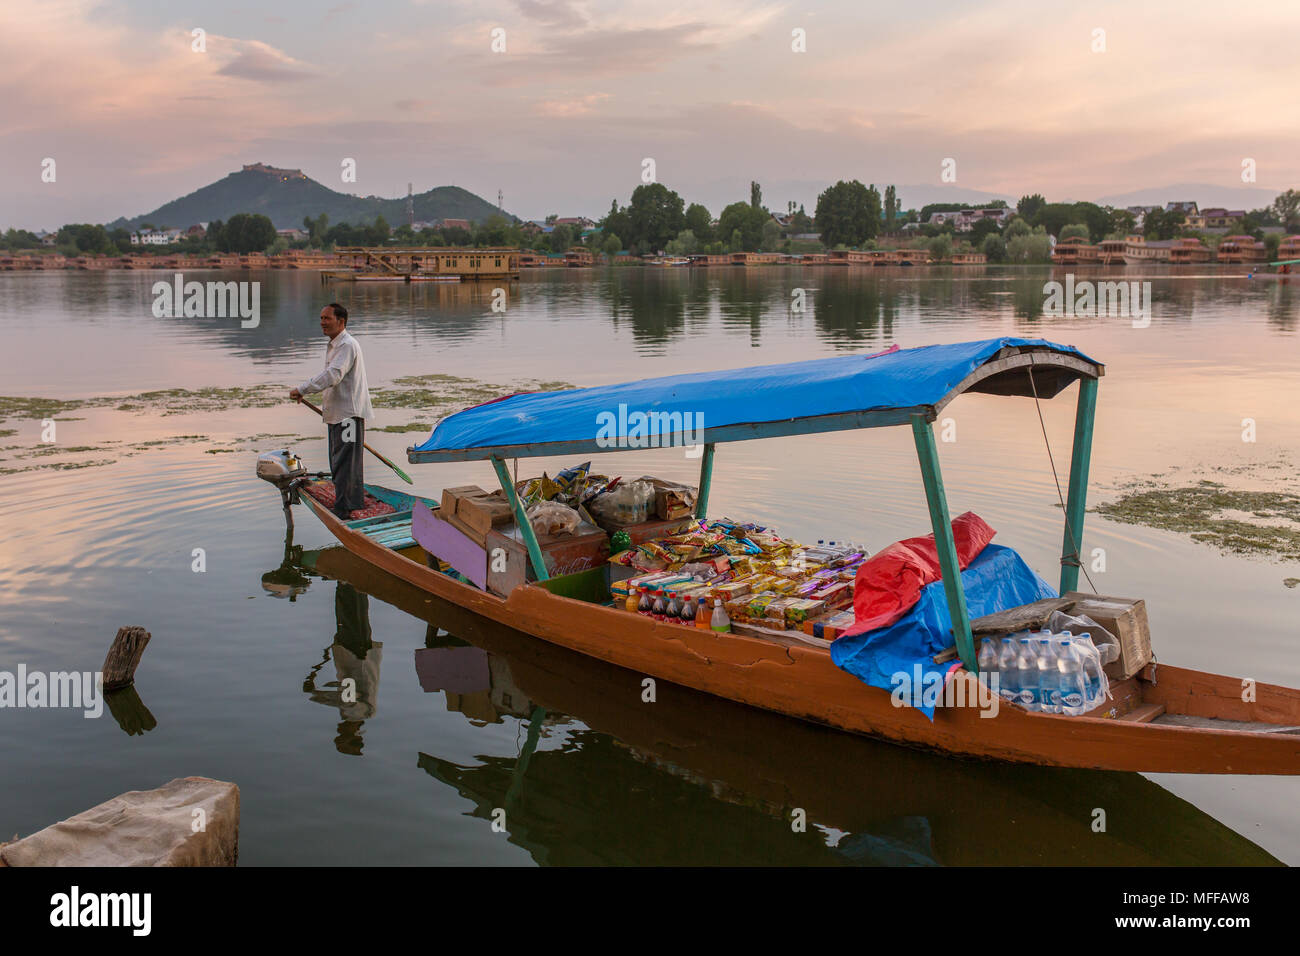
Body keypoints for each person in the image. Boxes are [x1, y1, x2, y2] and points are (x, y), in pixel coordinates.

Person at [290, 303, 373, 519]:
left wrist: (302, 388)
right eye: (321, 318)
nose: (322, 322)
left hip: (348, 415)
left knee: (345, 463)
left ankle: (346, 508)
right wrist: (305, 392)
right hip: (338, 413)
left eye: (327, 318)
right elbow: (331, 376)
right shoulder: (336, 345)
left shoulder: (346, 345)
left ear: (341, 321)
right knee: (339, 460)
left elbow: (333, 375)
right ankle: (348, 502)